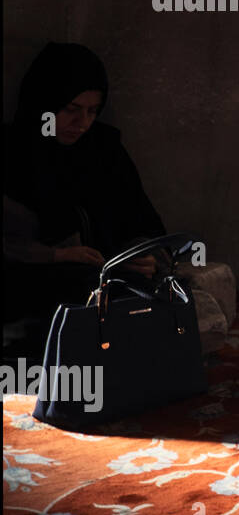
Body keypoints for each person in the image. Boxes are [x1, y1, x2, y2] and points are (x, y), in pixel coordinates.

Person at [3, 43, 164, 357]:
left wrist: (145, 254)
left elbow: (139, 216)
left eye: (92, 111)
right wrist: (58, 256)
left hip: (103, 277)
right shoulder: (13, 151)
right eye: (71, 109)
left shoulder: (103, 150)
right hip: (36, 283)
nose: (82, 123)